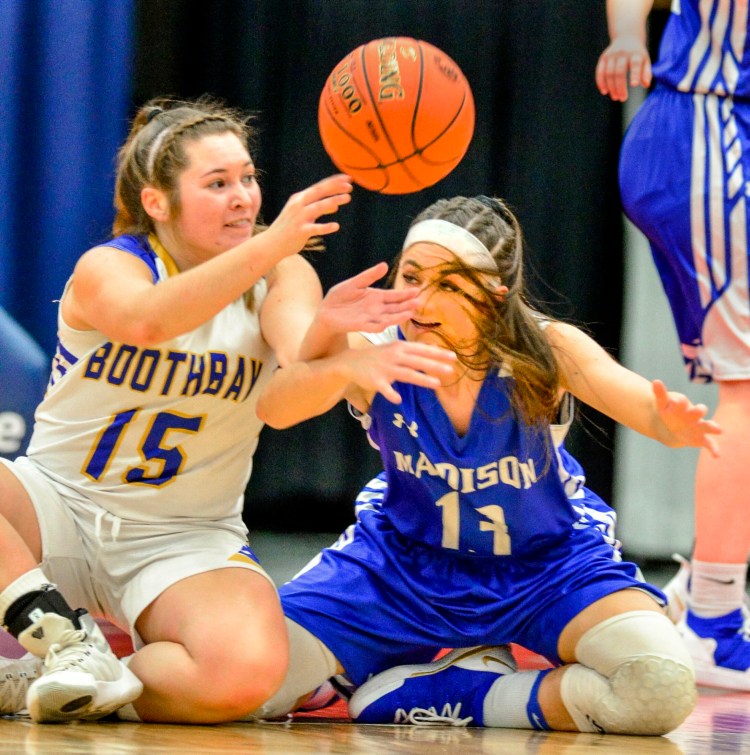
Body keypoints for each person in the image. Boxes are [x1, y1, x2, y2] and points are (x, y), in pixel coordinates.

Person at [244, 195, 721, 734]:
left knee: (657, 686)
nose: (421, 298)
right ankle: (384, 668)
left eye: (449, 285)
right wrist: (331, 337)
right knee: (240, 683)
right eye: (411, 275)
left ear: (495, 297)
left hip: (546, 568)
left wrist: (670, 422)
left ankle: (456, 691)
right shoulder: (376, 346)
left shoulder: (546, 350)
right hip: (402, 567)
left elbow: (635, 400)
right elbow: (279, 411)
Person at [0, 95, 376, 724]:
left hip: (185, 535)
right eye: (218, 183)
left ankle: (71, 677)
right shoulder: (110, 266)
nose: (243, 197)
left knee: (245, 676)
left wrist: (341, 354)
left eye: (249, 179)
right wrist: (269, 245)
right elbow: (148, 320)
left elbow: (297, 370)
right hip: (62, 503)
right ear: (157, 201)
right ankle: (62, 641)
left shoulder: (280, 273)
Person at [596, 0, 750, 690]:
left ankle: (704, 580)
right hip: (710, 128)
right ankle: (713, 621)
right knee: (749, 384)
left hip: (713, 132)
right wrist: (628, 34)